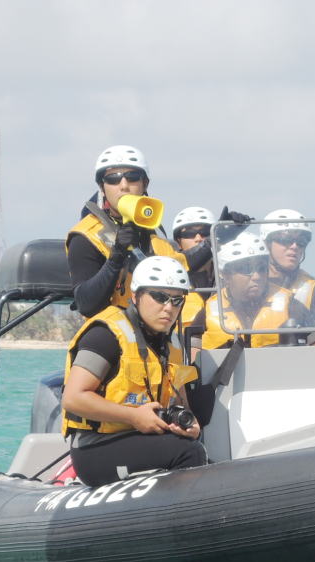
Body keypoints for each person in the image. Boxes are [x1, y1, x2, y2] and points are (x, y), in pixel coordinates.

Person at [61, 256, 206, 487]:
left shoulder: (173, 345)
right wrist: (134, 417)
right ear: (135, 296)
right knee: (188, 453)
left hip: (143, 438)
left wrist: (189, 423)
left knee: (196, 442)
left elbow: (182, 402)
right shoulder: (106, 336)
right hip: (96, 446)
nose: (168, 308)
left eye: (177, 300)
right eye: (159, 297)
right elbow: (73, 398)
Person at [65, 145, 211, 317]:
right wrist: (116, 257)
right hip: (111, 330)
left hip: (156, 328)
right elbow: (86, 304)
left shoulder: (149, 230)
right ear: (102, 186)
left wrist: (218, 237)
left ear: (145, 184)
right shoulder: (85, 236)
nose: (124, 186)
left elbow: (181, 264)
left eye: (132, 177)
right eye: (113, 179)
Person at [192, 231, 315, 349]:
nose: (257, 276)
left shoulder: (291, 306)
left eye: (261, 268)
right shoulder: (209, 311)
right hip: (226, 367)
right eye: (246, 269)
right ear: (225, 274)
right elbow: (192, 357)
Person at [171, 206, 216, 326]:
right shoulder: (169, 272)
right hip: (181, 337)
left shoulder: (228, 274)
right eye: (189, 233)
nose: (198, 238)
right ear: (178, 241)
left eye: (205, 232)